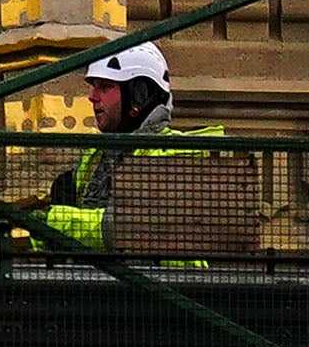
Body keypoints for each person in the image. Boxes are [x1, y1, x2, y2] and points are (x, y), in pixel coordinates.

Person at [36, 41, 223, 253]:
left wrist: (54, 222)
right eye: (94, 86)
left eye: (105, 87)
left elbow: (133, 228)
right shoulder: (96, 157)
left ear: (139, 95)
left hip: (165, 282)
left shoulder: (171, 154)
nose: (92, 97)